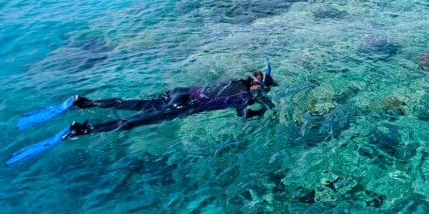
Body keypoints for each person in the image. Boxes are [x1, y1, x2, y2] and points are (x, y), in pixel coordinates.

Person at [65, 69, 278, 136]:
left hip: (179, 92)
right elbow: (243, 116)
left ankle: (87, 102)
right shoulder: (242, 96)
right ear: (257, 86)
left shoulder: (235, 80)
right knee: (134, 122)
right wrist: (260, 112)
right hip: (185, 105)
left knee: (133, 103)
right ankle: (84, 130)